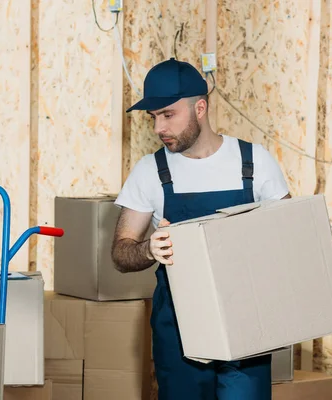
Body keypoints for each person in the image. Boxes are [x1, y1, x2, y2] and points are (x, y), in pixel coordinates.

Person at [111, 58, 291, 400]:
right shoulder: (150, 171)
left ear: (200, 107)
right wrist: (150, 248)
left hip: (246, 326)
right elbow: (121, 252)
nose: (158, 128)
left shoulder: (253, 162)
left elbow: (289, 235)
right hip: (179, 329)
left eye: (168, 114)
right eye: (153, 118)